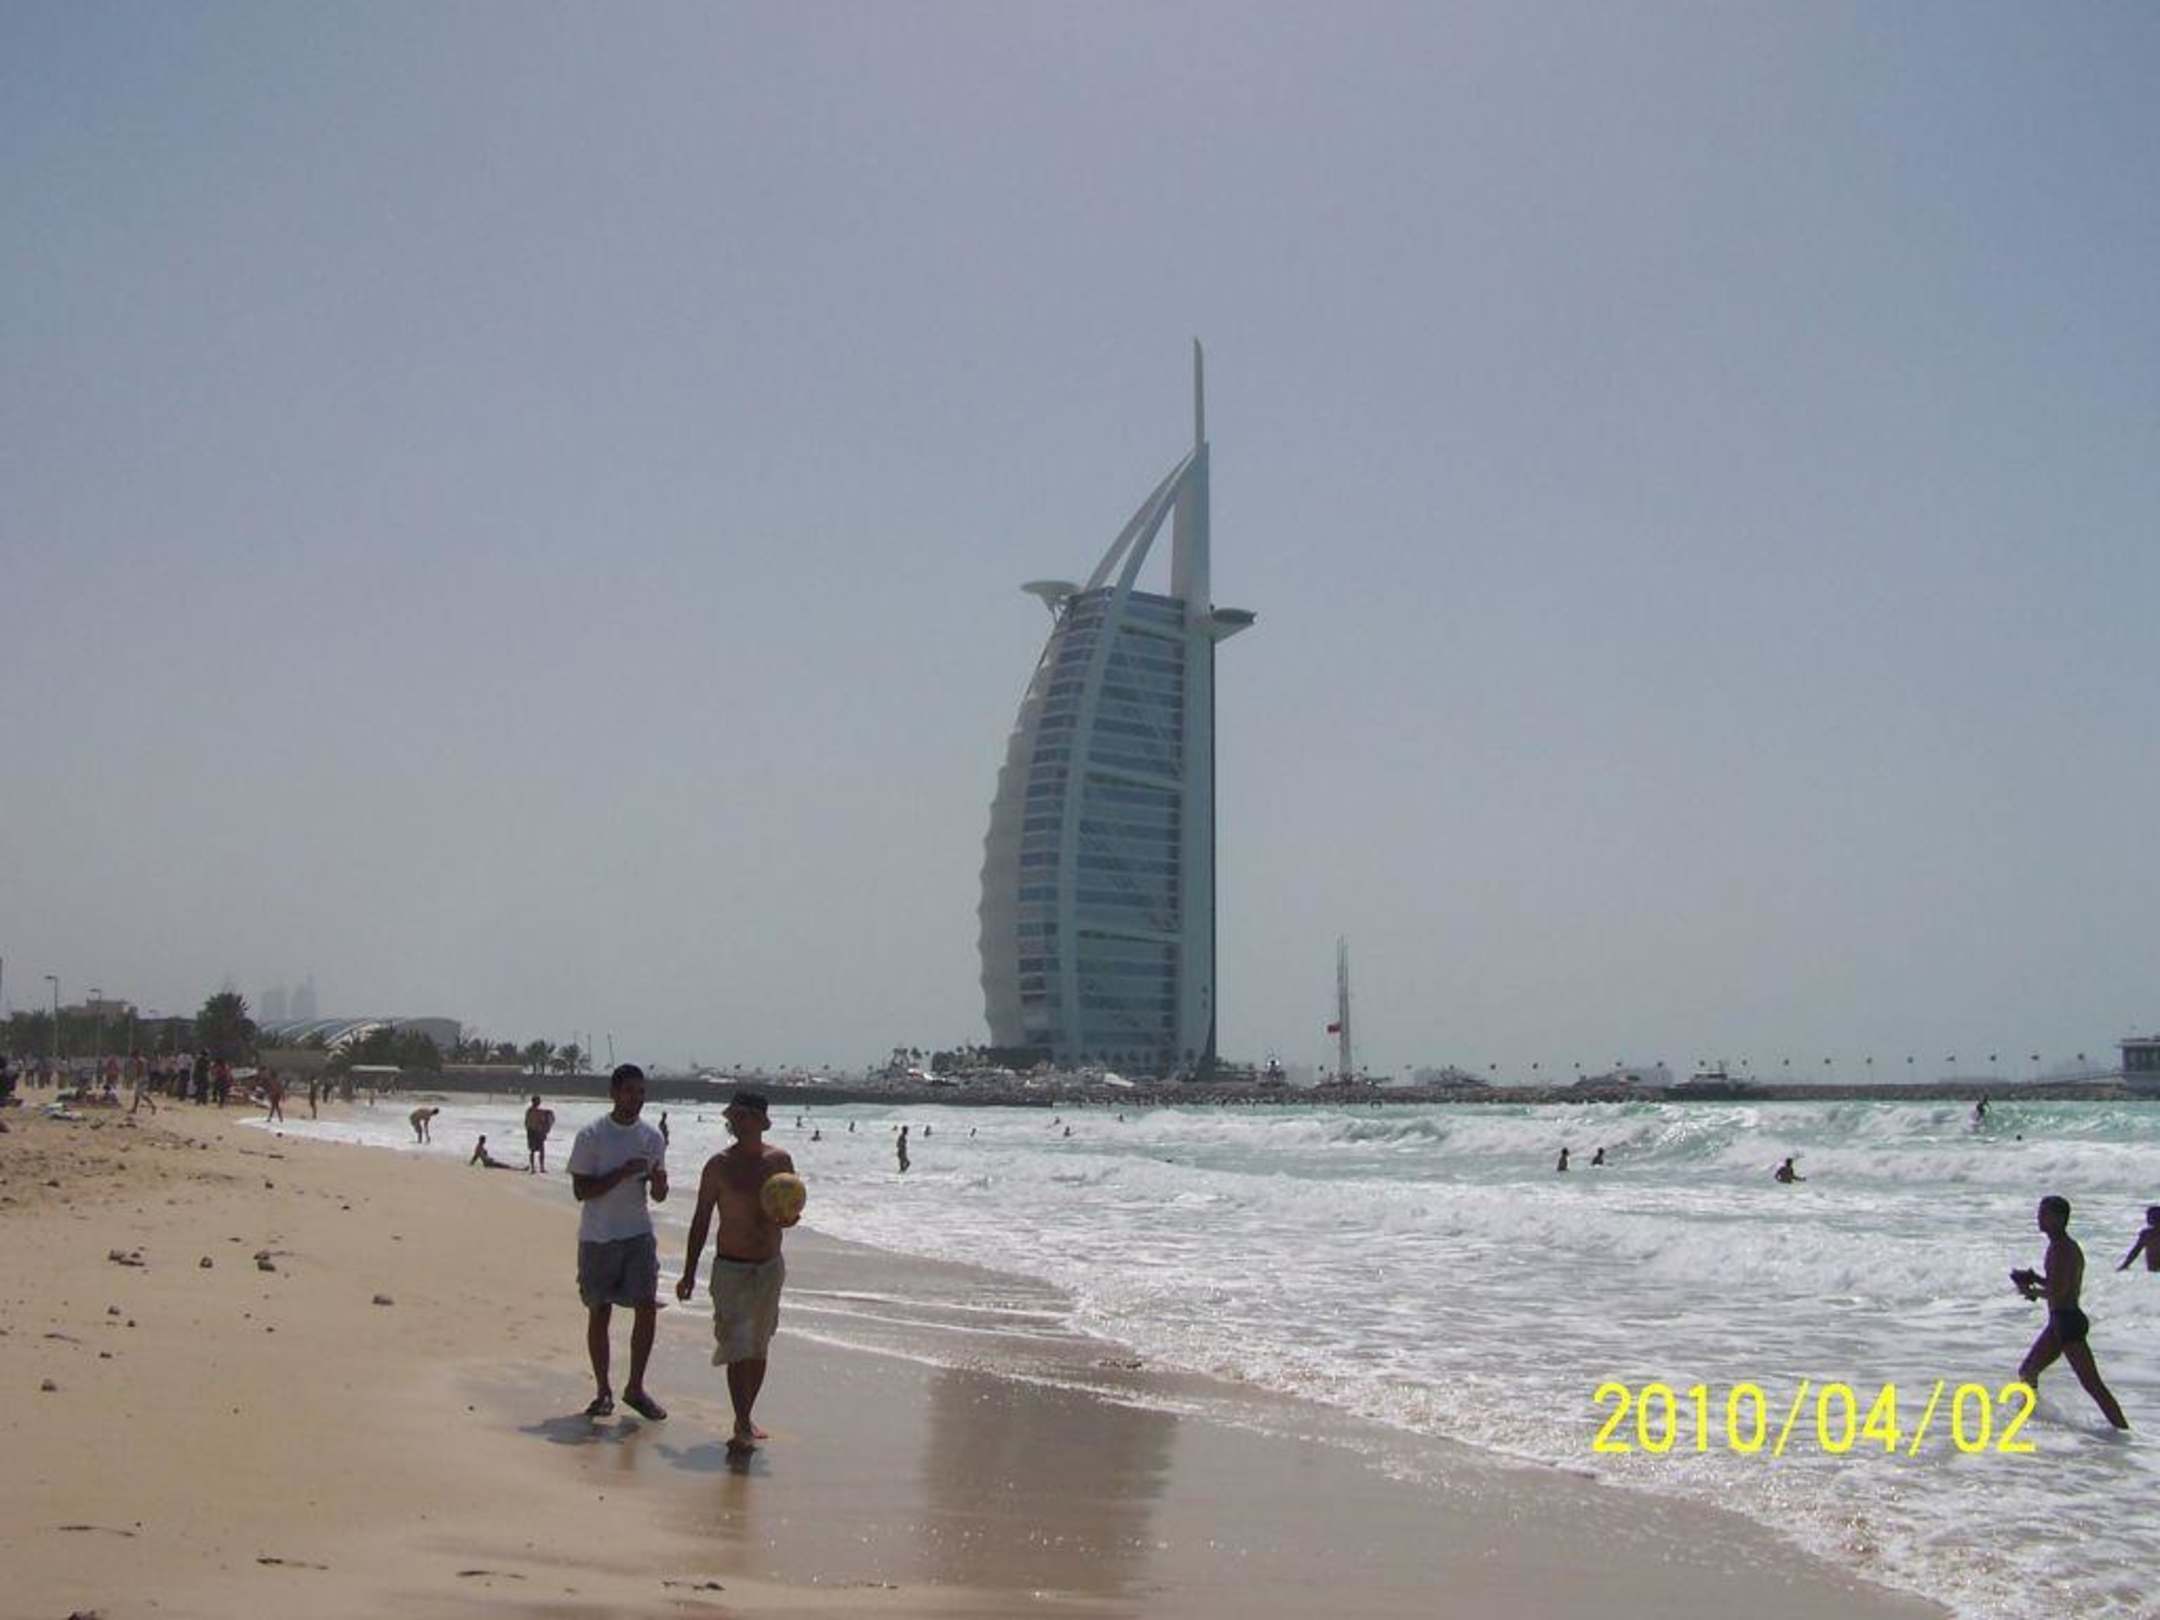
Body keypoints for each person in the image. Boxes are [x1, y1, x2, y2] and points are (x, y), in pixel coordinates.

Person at [676, 1089, 797, 1454]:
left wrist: (789, 1219)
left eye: (746, 1117)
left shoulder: (779, 1161)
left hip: (768, 1267)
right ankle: (742, 1420)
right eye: (735, 1117)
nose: (739, 1123)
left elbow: (788, 1209)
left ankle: (745, 1415)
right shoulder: (719, 1166)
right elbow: (701, 1219)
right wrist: (688, 1272)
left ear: (762, 1121)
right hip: (731, 1267)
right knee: (735, 1346)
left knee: (758, 1346)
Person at [568, 1064, 670, 1421]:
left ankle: (635, 1388)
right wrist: (622, 1173)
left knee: (646, 1307)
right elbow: (582, 1190)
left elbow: (658, 1195)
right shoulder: (592, 1135)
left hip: (638, 1234)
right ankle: (603, 1391)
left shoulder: (652, 1137)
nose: (636, 1099)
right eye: (629, 1091)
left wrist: (659, 1183)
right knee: (600, 1310)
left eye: (641, 1092)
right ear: (613, 1093)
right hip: (598, 1236)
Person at [2011, 1194, 2129, 1430]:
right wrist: (2035, 1279)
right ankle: (2031, 1415)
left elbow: (2060, 1292)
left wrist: (2031, 1291)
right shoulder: (2060, 1246)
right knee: (2028, 1371)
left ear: (2059, 1218)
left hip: (2067, 1322)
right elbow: (2058, 1284)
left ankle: (2124, 1431)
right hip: (2060, 1321)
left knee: (2092, 1384)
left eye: (2044, 1214)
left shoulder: (2062, 1249)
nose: (2039, 1218)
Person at [2119, 1207, 2160, 1273]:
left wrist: (2125, 1265)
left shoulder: (2146, 1234)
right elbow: (2135, 1251)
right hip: (2153, 1270)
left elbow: (2136, 1251)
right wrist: (2125, 1265)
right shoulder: (2146, 1234)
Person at [524, 1094, 556, 1173]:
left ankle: (539, 1167)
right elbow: (528, 1123)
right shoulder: (531, 1111)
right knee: (534, 1151)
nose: (539, 1102)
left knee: (539, 1150)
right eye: (538, 1101)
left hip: (535, 1132)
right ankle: (535, 1168)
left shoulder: (535, 1111)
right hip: (533, 1132)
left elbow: (527, 1123)